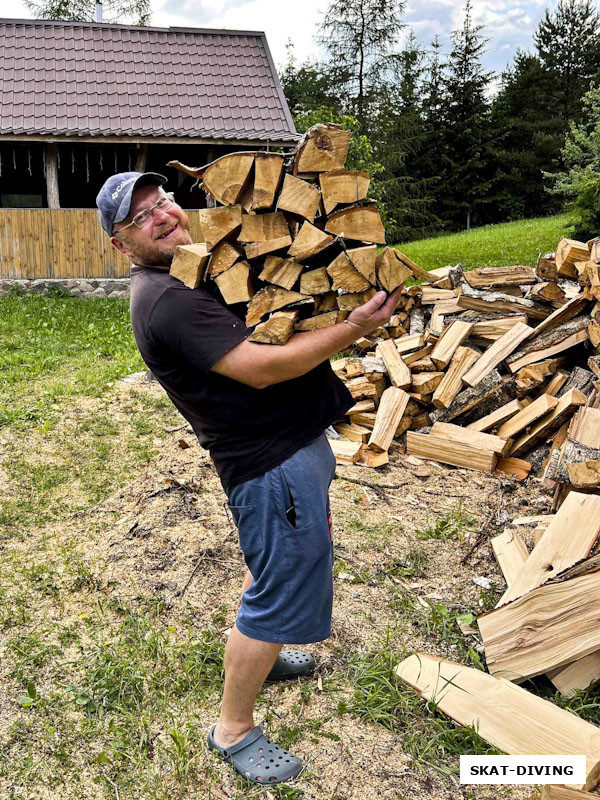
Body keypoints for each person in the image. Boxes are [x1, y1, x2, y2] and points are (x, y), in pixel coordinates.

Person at [96, 171, 400, 786]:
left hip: (285, 453)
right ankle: (232, 727)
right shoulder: (166, 299)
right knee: (281, 584)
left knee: (274, 563)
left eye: (164, 201)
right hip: (270, 464)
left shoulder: (196, 270)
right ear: (121, 245)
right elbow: (260, 369)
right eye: (140, 217)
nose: (163, 215)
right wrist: (353, 329)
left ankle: (272, 650)